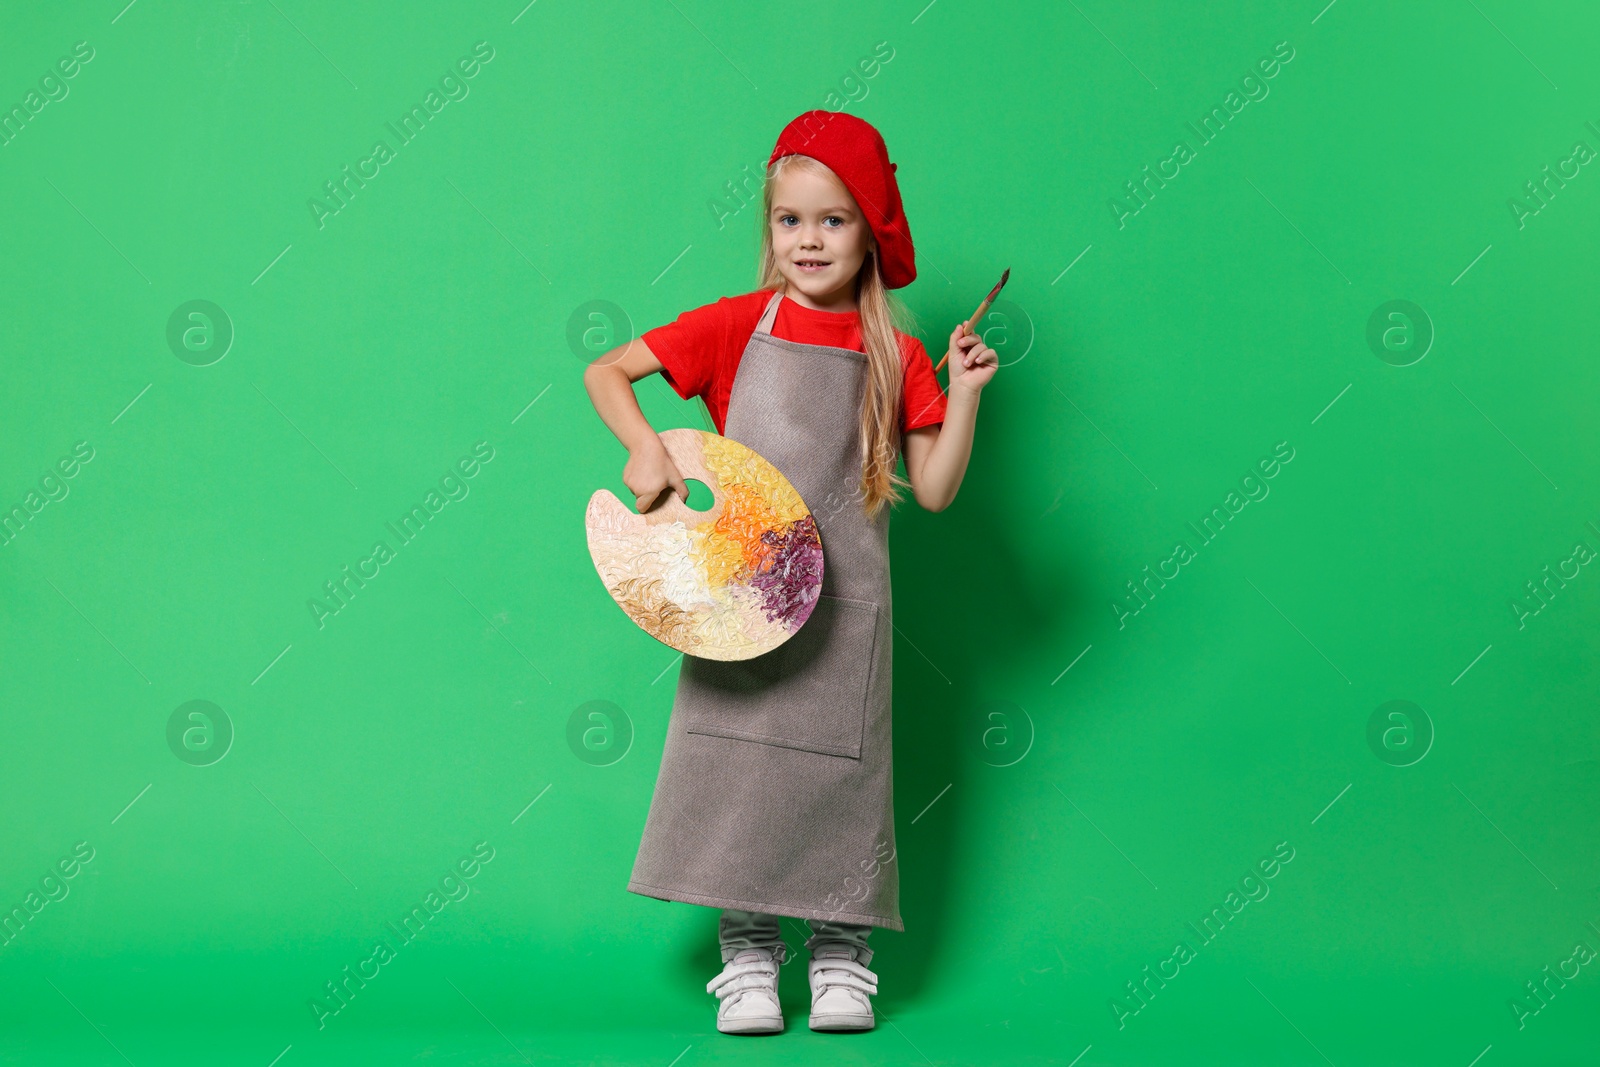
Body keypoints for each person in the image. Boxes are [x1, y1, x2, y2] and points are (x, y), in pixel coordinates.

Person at [582, 110, 998, 1035]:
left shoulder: (897, 353)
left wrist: (963, 395)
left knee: (843, 783)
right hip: (741, 599)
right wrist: (648, 451)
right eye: (790, 221)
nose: (809, 240)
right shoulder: (738, 326)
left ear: (873, 231)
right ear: (768, 230)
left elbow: (930, 490)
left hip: (850, 612)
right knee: (737, 775)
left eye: (834, 220)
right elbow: (607, 371)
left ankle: (846, 956)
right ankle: (748, 958)